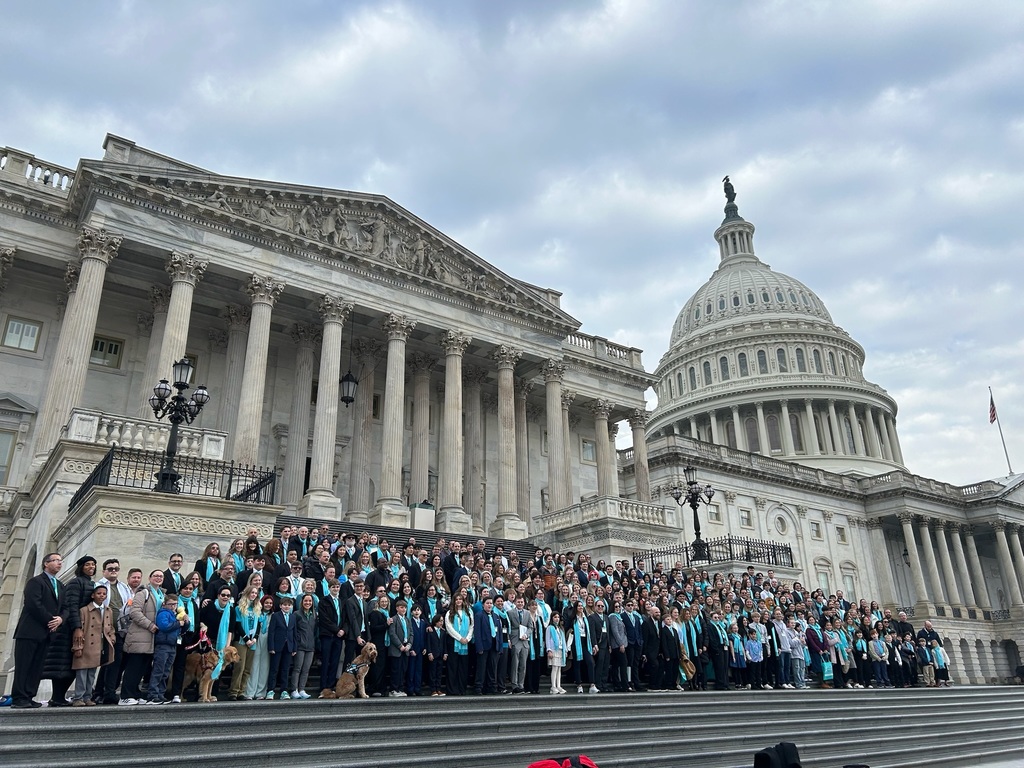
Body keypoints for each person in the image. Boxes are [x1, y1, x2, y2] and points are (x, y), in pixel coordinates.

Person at [44, 554, 96, 707]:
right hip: (69, 630)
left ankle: (59, 697)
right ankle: (57, 697)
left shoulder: (91, 584)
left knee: (71, 666)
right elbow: (72, 606)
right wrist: (77, 627)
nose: (91, 567)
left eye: (93, 564)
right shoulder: (76, 583)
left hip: (81, 629)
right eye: (87, 564)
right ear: (81, 567)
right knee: (63, 665)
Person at [119, 570, 164, 705]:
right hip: (139, 635)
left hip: (151, 638)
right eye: (155, 575)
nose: (158, 578)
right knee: (133, 666)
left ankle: (135, 694)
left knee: (142, 668)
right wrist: (150, 625)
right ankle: (125, 696)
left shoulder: (161, 594)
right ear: (149, 578)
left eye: (161, 576)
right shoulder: (143, 593)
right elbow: (135, 612)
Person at [93, 559, 133, 704]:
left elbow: (129, 605)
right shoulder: (98, 585)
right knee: (105, 661)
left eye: (116, 568)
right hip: (103, 628)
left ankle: (105, 691)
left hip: (119, 629)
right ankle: (101, 692)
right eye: (110, 569)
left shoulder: (123, 587)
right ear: (104, 571)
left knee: (114, 661)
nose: (113, 571)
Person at [70, 583, 115, 706]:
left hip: (99, 646)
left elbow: (110, 627)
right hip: (85, 646)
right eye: (99, 593)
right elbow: (79, 630)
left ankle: (87, 697)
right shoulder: (84, 610)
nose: (101, 596)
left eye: (104, 594)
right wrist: (78, 646)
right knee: (81, 673)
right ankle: (78, 697)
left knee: (91, 674)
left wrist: (112, 638)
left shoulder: (108, 610)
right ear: (93, 595)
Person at [146, 592, 182, 705]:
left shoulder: (175, 614)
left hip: (172, 645)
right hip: (163, 645)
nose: (173, 606)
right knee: (159, 670)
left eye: (175, 604)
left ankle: (161, 693)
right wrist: (178, 623)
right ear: (165, 604)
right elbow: (164, 626)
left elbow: (181, 629)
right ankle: (153, 694)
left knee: (166, 671)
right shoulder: (163, 613)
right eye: (171, 604)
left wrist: (185, 622)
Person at [267, 596, 297, 699]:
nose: (287, 607)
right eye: (285, 605)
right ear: (280, 606)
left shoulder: (293, 617)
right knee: (274, 668)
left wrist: (294, 648)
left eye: (289, 605)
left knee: (285, 669)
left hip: (288, 646)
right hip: (277, 646)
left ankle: (284, 690)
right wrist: (271, 647)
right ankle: (270, 690)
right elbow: (271, 632)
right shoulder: (276, 616)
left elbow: (294, 632)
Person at [444, 591, 473, 695]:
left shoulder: (468, 611)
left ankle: (462, 689)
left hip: (465, 643)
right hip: (454, 642)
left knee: (463, 667)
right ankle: (452, 689)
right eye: (456, 599)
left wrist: (467, 638)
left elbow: (471, 626)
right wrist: (460, 638)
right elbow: (449, 628)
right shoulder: (449, 613)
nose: (459, 601)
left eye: (460, 599)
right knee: (453, 667)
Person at [290, 594, 317, 699]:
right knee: (297, 668)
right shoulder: (297, 614)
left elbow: (315, 631)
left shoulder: (314, 615)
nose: (308, 603)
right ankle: (294, 690)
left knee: (306, 669)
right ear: (302, 602)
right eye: (306, 601)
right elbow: (294, 630)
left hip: (310, 646)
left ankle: (301, 689)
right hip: (300, 645)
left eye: (310, 601)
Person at [387, 599, 413, 696]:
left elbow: (411, 633)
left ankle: (400, 688)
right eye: (402, 607)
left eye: (405, 607)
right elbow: (392, 634)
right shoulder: (394, 619)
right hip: (396, 649)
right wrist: (400, 645)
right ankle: (393, 689)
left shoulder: (407, 620)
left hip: (406, 649)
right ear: (397, 608)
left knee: (403, 669)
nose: (404, 609)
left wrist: (409, 645)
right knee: (395, 670)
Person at [407, 602, 427, 696]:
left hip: (420, 650)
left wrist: (425, 648)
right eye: (414, 610)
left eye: (418, 610)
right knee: (411, 670)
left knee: (419, 670)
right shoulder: (409, 621)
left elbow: (424, 636)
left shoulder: (423, 623)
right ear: (411, 612)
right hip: (413, 649)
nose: (416, 612)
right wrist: (411, 649)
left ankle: (417, 688)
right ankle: (410, 689)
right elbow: (409, 636)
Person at [426, 612, 447, 696]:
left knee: (439, 672)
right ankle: (433, 689)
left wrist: (445, 653)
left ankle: (438, 688)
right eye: (440, 621)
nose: (441, 623)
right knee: (432, 672)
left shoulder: (443, 632)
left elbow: (444, 643)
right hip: (433, 654)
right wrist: (429, 653)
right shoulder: (430, 631)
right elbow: (428, 643)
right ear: (435, 621)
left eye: (442, 621)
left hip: (440, 654)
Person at [546, 612, 566, 694]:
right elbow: (547, 639)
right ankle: (553, 686)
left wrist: (565, 650)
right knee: (554, 668)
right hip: (553, 650)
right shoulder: (550, 628)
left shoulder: (560, 628)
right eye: (555, 617)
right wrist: (549, 650)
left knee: (559, 669)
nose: (557, 619)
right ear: (552, 618)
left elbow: (563, 639)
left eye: (558, 617)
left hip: (560, 649)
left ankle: (558, 685)